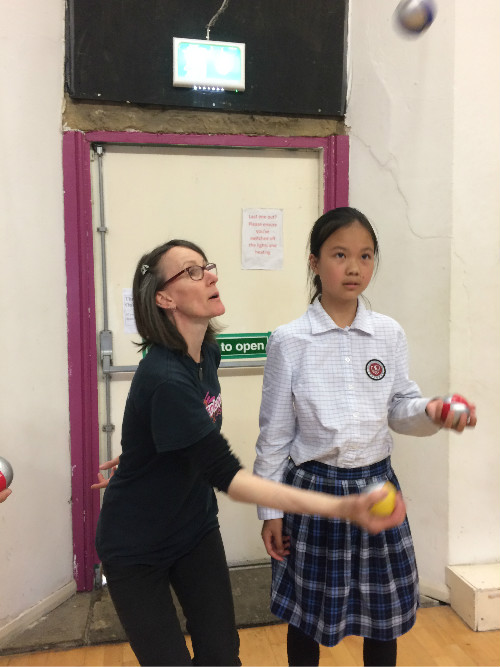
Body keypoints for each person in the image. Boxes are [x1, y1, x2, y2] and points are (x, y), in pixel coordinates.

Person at [93, 239, 408, 667]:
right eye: (192, 272)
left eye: (207, 266)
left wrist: (143, 453)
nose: (210, 276)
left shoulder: (206, 353)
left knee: (222, 656)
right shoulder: (165, 378)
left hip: (194, 529)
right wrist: (344, 507)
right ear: (164, 298)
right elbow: (230, 477)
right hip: (136, 546)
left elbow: (181, 426)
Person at [253, 207, 477, 667]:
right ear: (314, 262)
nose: (354, 267)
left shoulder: (387, 334)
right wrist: (269, 511)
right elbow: (274, 435)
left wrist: (432, 412)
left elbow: (399, 408)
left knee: (383, 614)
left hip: (378, 490)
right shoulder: (289, 340)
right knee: (306, 613)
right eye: (340, 255)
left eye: (366, 256)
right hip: (313, 493)